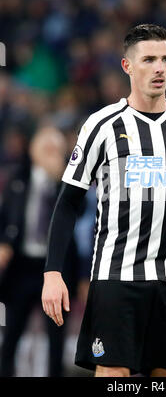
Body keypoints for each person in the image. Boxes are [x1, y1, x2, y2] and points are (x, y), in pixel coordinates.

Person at [42, 24, 166, 377]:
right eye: (149, 59)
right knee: (115, 378)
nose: (159, 68)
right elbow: (69, 202)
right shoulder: (101, 126)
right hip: (115, 279)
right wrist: (53, 271)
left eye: (165, 59)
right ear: (127, 66)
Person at [0, 126, 80, 376]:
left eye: (54, 149)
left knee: (56, 339)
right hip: (22, 266)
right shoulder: (19, 178)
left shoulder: (69, 181)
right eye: (44, 148)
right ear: (33, 150)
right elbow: (6, 218)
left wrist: (60, 178)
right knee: (12, 333)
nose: (48, 154)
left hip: (56, 268)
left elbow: (82, 213)